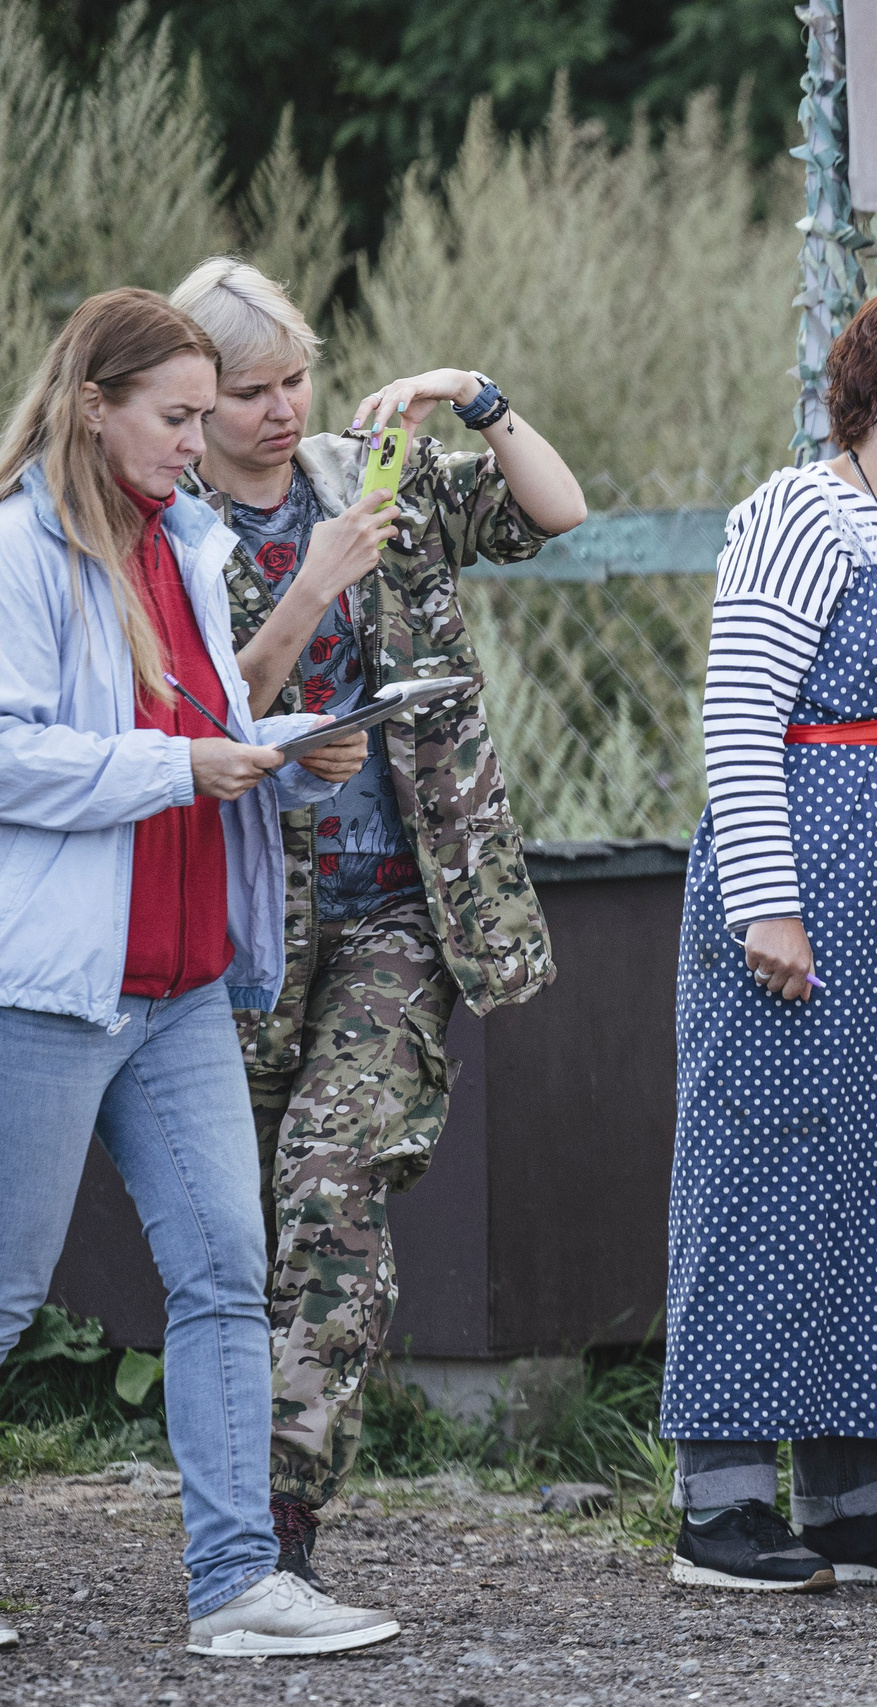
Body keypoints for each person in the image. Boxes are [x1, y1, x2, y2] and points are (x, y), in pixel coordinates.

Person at [168, 257, 584, 1589]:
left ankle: (284, 1520)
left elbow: (556, 511)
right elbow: (190, 715)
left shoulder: (373, 479)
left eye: (296, 378)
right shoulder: (166, 527)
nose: (284, 410)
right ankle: (230, 1505)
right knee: (232, 1230)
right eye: (249, 393)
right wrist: (305, 603)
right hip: (240, 922)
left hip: (403, 911)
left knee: (332, 1185)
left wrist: (477, 394)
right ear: (195, 400)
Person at [0, 288, 391, 1655]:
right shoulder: (22, 554)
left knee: (230, 1268)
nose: (196, 440)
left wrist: (280, 743)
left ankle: (238, 1584)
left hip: (179, 986)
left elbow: (192, 726)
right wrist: (189, 763)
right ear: (93, 405)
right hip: (48, 992)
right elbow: (9, 753)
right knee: (3, 1286)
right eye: (173, 416)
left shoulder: (185, 541)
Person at [658, 288, 877, 1593]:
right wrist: (766, 897)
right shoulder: (798, 511)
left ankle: (854, 1493)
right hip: (814, 868)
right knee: (770, 1163)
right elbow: (741, 710)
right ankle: (722, 1496)